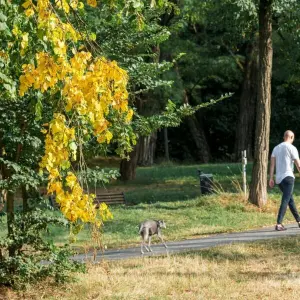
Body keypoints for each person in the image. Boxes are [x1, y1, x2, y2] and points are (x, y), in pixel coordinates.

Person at [269, 130, 300, 231]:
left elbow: (272, 164)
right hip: (288, 177)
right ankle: (279, 223)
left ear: (284, 137)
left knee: (290, 200)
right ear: (291, 137)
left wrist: (271, 178)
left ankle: (299, 221)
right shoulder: (292, 148)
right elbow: (298, 164)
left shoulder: (276, 148)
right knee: (286, 200)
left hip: (279, 180)